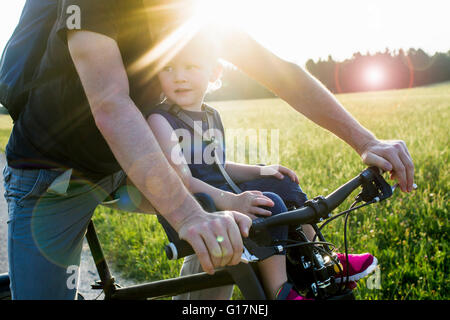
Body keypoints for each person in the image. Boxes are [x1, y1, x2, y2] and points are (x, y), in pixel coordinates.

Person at [2, 0, 414, 300]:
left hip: (133, 159)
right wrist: (189, 214)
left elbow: (279, 72)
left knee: (238, 216)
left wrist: (367, 141)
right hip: (55, 177)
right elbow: (110, 103)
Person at [146, 32, 378, 300]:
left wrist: (261, 170)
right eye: (169, 68)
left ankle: (323, 260)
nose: (180, 77)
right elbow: (180, 181)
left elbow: (217, 167)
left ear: (214, 72)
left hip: (223, 196)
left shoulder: (210, 115)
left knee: (283, 185)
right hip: (195, 206)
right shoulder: (160, 120)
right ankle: (280, 291)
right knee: (271, 203)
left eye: (191, 67)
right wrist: (233, 201)